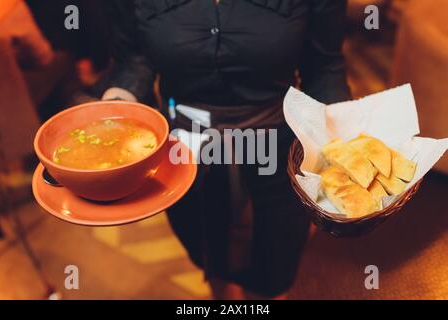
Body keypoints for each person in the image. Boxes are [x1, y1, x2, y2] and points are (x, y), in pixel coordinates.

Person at [99, 0, 351, 299]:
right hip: (185, 156)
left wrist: (345, 140)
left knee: (272, 275)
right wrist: (117, 105)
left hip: (278, 157)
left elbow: (323, 66)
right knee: (210, 257)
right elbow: (135, 57)